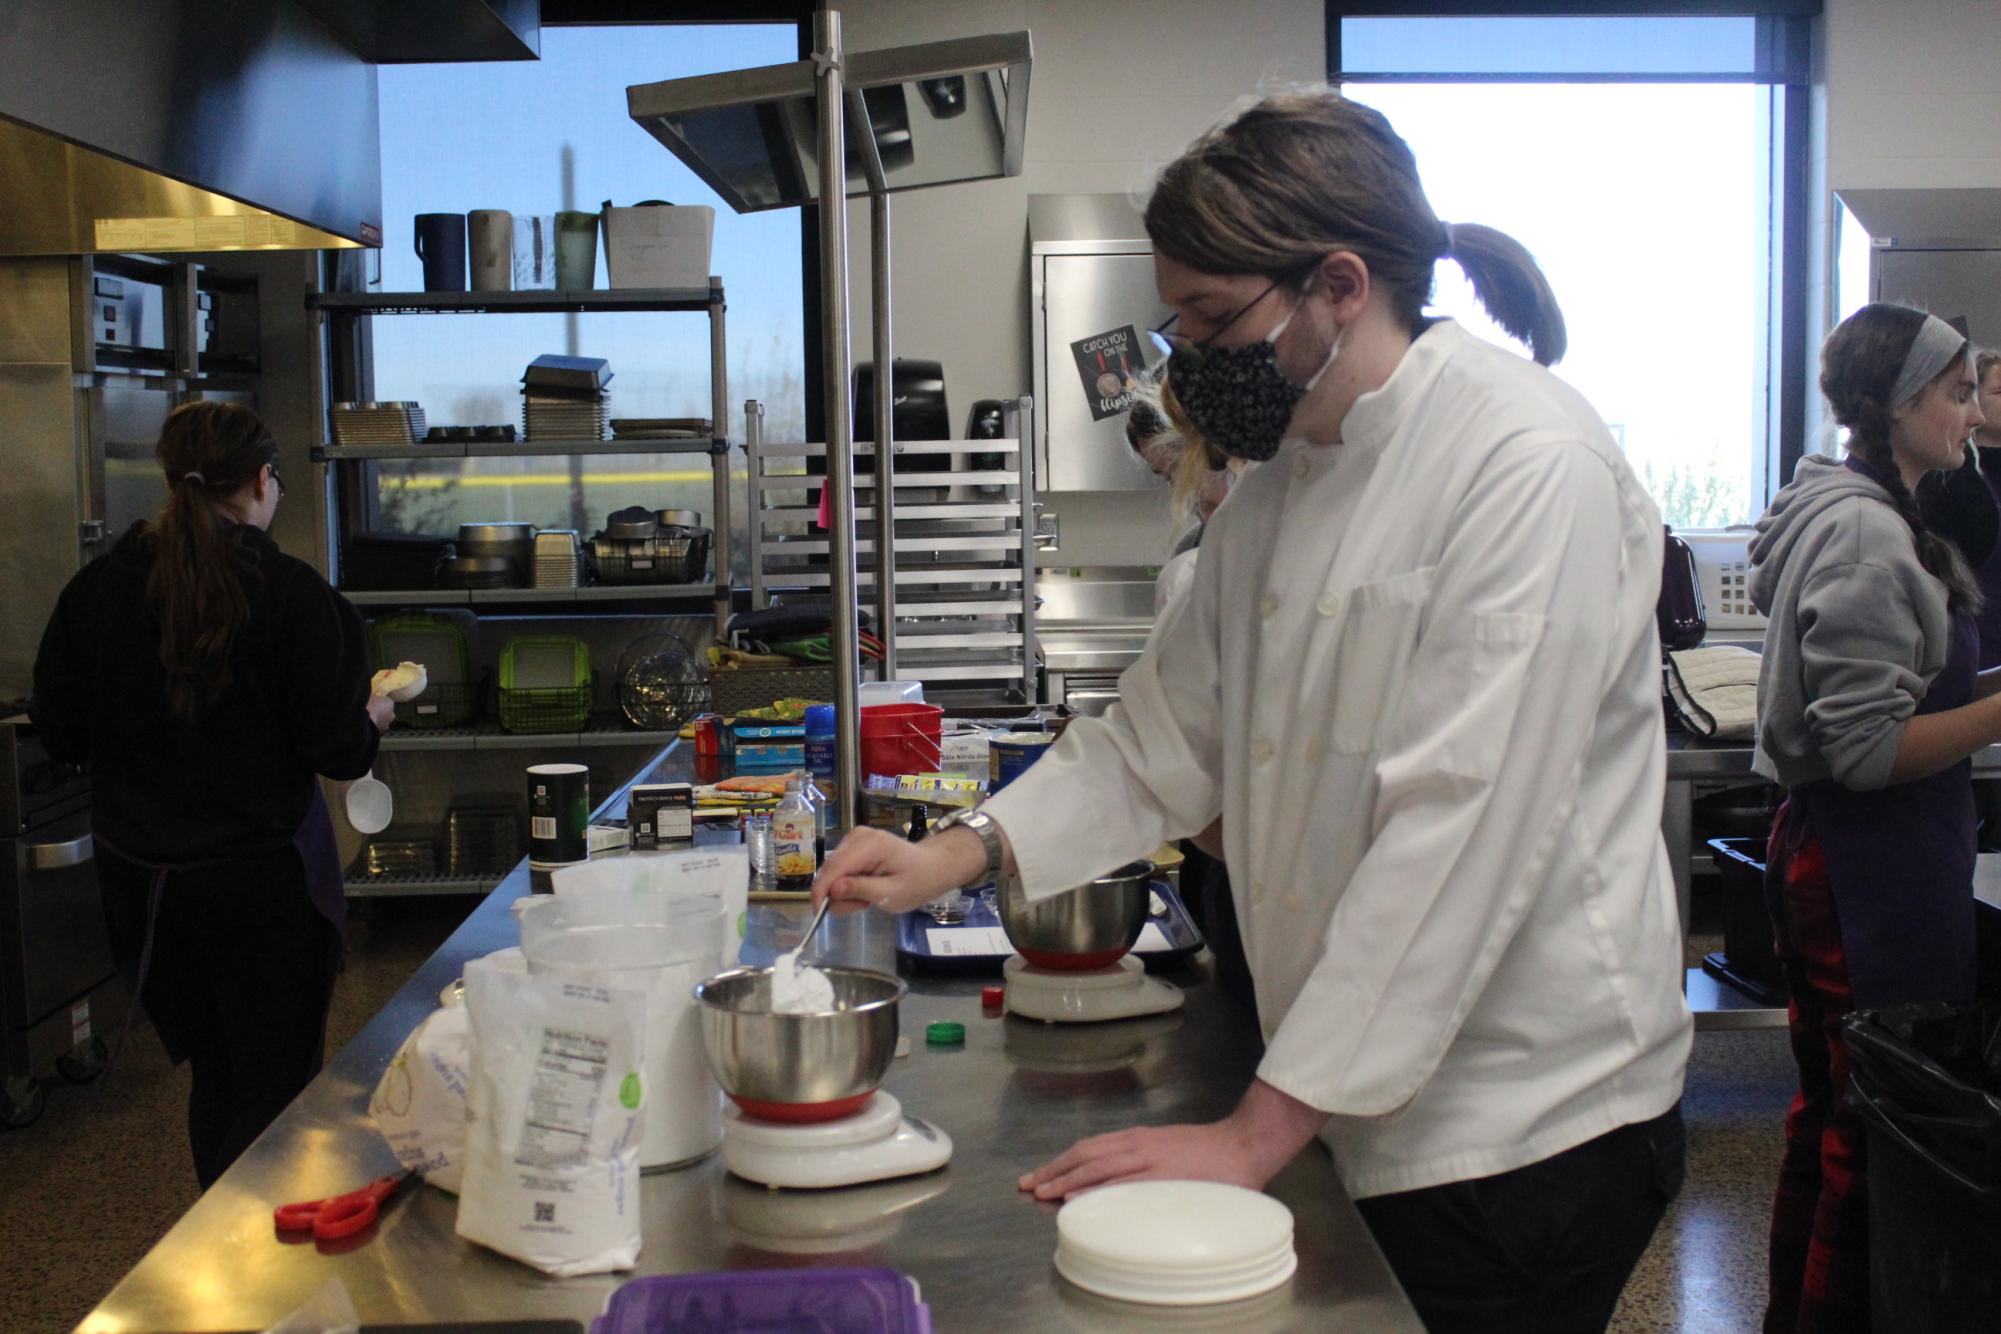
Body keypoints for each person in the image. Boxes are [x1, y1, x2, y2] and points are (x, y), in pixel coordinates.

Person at [818, 88, 1691, 1331]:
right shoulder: (1284, 478)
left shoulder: (1525, 461)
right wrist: (949, 856)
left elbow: (1460, 828)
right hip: (1346, 1085)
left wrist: (1253, 1131)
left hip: (1523, 1122)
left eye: (1216, 318)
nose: (1188, 356)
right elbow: (1163, 733)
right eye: (1176, 316)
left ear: (1341, 282)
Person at [30, 401, 390, 1189]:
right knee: (275, 1092)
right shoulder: (294, 597)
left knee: (216, 1079)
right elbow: (337, 749)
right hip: (264, 891)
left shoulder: (96, 590)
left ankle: (221, 1253)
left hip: (145, 890)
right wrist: (372, 714)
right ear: (262, 481)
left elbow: (58, 731)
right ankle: (262, 1265)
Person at [1749, 303, 1991, 1333]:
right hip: (1868, 866)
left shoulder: (1861, 502)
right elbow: (1867, 750)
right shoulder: (1864, 530)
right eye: (1955, 392)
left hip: (1858, 858)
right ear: (1898, 406)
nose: (1971, 413)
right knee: (1867, 1124)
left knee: (1836, 1111)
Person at [1121, 373, 1254, 1019]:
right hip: (1237, 852)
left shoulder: (1206, 564)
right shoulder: (1200, 558)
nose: (1190, 495)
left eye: (1185, 469)